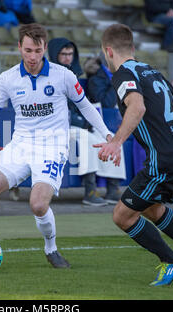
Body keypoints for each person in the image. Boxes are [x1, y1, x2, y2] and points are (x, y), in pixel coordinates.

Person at [0, 23, 113, 269]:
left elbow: (85, 106)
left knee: (38, 204)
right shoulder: (8, 78)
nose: (32, 57)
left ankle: (51, 249)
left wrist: (107, 134)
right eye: (28, 50)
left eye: (38, 51)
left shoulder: (63, 75)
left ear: (45, 48)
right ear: (19, 47)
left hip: (52, 147)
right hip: (20, 144)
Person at [94, 24, 173, 286]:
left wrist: (116, 143)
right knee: (151, 208)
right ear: (134, 49)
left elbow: (136, 106)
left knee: (122, 215)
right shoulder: (151, 70)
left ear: (108, 51)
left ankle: (172, 262)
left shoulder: (122, 74)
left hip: (164, 159)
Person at [47, 37, 106, 206]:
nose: (67, 58)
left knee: (109, 139)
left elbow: (82, 105)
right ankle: (90, 190)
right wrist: (82, 122)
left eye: (70, 54)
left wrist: (86, 121)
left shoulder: (75, 75)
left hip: (76, 124)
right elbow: (58, 111)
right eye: (63, 54)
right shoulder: (49, 76)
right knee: (88, 139)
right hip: (57, 127)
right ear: (54, 54)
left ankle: (113, 188)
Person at [84, 54, 123, 204]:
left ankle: (113, 189)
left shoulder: (109, 77)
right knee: (93, 141)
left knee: (115, 141)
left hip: (106, 125)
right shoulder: (96, 79)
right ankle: (91, 190)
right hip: (93, 123)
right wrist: (116, 82)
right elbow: (106, 103)